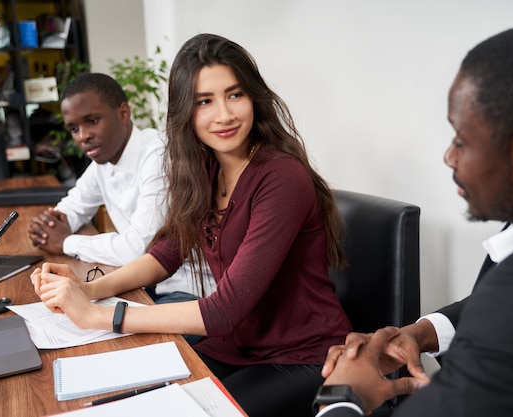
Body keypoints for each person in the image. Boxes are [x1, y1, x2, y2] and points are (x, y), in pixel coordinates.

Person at [31, 34, 352, 417]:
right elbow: (167, 253)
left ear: (254, 97)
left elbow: (223, 310)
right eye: (204, 101)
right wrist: (88, 289)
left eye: (235, 95)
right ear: (185, 110)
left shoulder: (280, 177)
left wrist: (98, 315)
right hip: (236, 343)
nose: (224, 114)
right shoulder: (206, 168)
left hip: (305, 355)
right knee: (132, 400)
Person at [317, 22, 513, 417]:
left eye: (461, 140)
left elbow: (512, 313)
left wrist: (342, 394)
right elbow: (490, 302)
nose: (449, 156)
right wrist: (420, 333)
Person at [27, 73, 211, 300]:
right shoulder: (104, 159)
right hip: (143, 280)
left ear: (124, 113)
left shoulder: (159, 155)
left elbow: (137, 248)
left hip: (188, 288)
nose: (84, 136)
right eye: (74, 129)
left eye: (93, 121)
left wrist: (66, 242)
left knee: (104, 324)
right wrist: (48, 228)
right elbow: (72, 207)